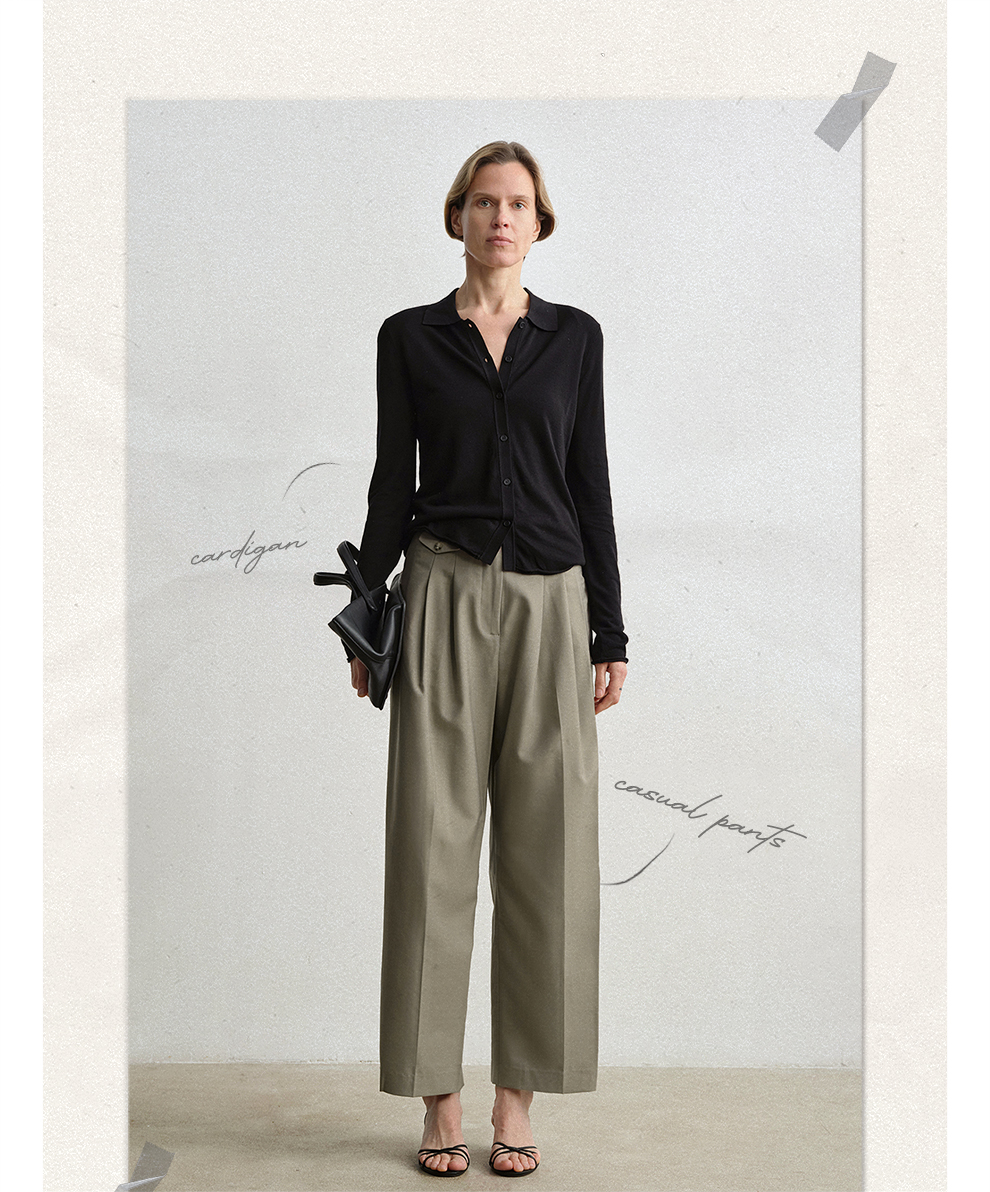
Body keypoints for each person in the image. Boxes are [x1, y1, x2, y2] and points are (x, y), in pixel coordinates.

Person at [344, 140, 628, 1177]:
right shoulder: (409, 337)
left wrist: (610, 630)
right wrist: (369, 609)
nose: (500, 218)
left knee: (548, 855)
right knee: (432, 847)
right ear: (457, 215)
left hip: (555, 601)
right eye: (483, 202)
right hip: (443, 592)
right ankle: (438, 1101)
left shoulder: (575, 338)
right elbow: (392, 478)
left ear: (539, 223)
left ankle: (517, 1099)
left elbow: (591, 481)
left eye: (517, 204)